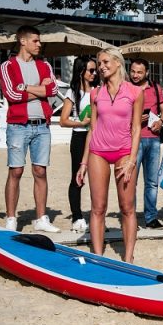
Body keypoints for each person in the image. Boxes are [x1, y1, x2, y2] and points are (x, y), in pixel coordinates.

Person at [76, 49, 142, 262]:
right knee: (98, 208)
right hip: (98, 152)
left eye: (105, 62)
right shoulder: (96, 93)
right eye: (99, 63)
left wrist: (132, 160)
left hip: (124, 153)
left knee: (127, 207)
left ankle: (128, 258)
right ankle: (98, 258)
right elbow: (92, 129)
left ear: (117, 63)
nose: (101, 66)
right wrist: (84, 163)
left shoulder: (134, 92)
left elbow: (137, 129)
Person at [0, 25, 60, 232]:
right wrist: (39, 90)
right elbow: (11, 95)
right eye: (35, 41)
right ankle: (11, 219)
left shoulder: (44, 65)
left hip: (42, 125)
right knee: (15, 171)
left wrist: (24, 87)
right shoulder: (7, 66)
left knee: (40, 171)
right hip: (17, 126)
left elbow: (53, 90)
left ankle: (41, 218)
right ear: (22, 41)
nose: (39, 44)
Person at [128, 58, 163, 230]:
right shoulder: (126, 88)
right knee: (131, 181)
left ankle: (151, 218)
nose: (135, 75)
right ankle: (131, 219)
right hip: (133, 139)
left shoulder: (156, 88)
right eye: (132, 71)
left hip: (152, 138)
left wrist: (161, 121)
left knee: (152, 182)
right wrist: (135, 117)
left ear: (147, 72)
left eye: (139, 72)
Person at [60, 57, 98, 232]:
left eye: (95, 70)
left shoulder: (100, 90)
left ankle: (96, 217)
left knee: (97, 179)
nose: (94, 73)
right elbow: (63, 120)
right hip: (80, 137)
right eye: (91, 70)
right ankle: (77, 216)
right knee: (78, 178)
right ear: (81, 71)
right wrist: (82, 123)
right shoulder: (73, 92)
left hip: (98, 137)